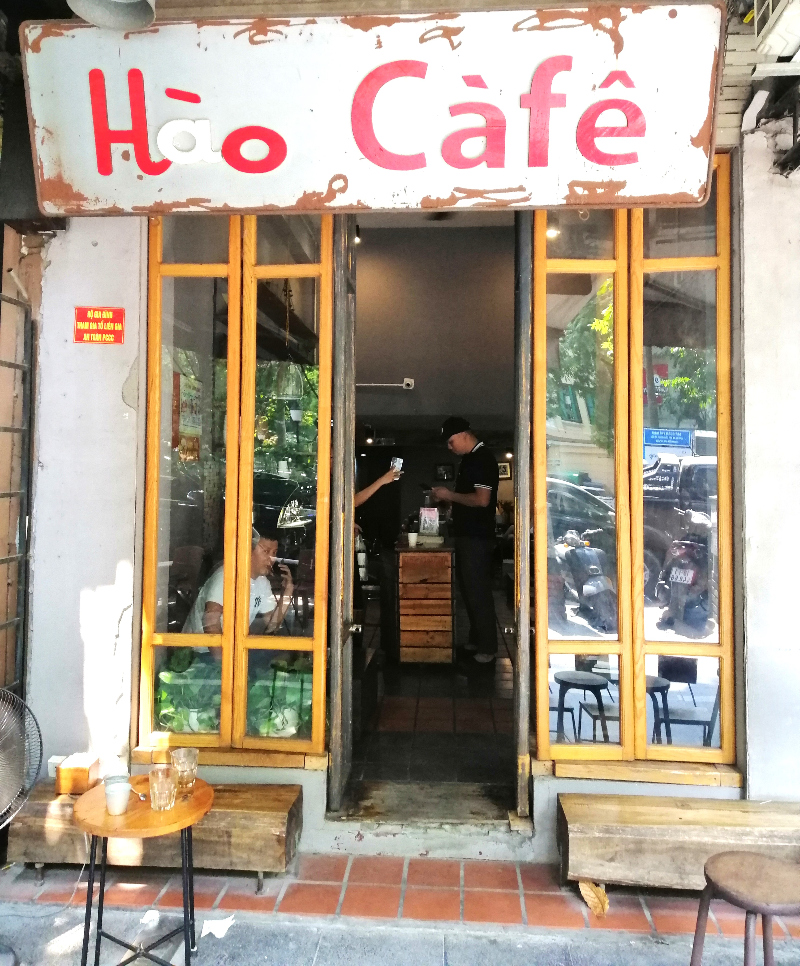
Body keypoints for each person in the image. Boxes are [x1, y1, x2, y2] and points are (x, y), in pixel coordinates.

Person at [432, 416, 499, 671]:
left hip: (477, 537)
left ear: (463, 435)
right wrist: (452, 505)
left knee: (478, 591)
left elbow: (482, 500)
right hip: (469, 534)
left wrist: (449, 495)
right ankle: (476, 640)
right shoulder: (470, 460)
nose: (450, 447)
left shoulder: (482, 459)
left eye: (450, 442)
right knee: (470, 590)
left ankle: (488, 648)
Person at [183, 529, 294, 634]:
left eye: (274, 553)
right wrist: (221, 655)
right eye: (266, 551)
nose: (271, 558)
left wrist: (288, 592)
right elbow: (211, 625)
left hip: (234, 647)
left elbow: (271, 625)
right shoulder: (226, 576)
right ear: (249, 551)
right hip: (202, 650)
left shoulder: (262, 582)